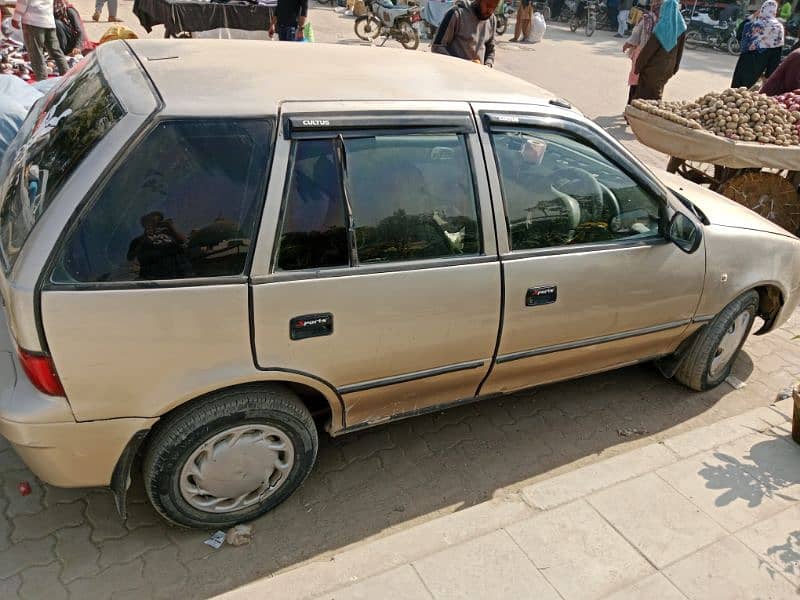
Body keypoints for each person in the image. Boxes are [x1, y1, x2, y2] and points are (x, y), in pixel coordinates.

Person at [633, 0, 686, 100]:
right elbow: (680, 51)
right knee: (657, 93)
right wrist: (675, 68)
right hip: (668, 69)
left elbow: (648, 51)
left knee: (643, 99)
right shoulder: (682, 28)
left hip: (653, 69)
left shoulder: (661, 27)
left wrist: (638, 66)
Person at [11, 0, 69, 82]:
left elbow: (23, 1)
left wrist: (16, 17)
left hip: (33, 22)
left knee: (36, 53)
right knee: (55, 51)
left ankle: (42, 81)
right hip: (48, 20)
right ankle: (67, 76)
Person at [731, 0, 784, 88]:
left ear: (762, 9)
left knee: (736, 90)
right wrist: (768, 75)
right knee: (748, 95)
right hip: (760, 64)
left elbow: (739, 34)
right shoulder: (778, 27)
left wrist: (752, 16)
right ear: (775, 12)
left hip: (744, 60)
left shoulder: (752, 24)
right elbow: (776, 54)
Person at [432, 0, 498, 66]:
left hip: (477, 74)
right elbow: (437, 47)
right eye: (488, 6)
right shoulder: (456, 14)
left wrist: (488, 64)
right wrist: (464, 65)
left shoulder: (492, 20)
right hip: (453, 71)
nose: (490, 11)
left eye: (494, 7)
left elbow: (491, 50)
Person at [127, 212, 188, 280]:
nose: (155, 224)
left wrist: (171, 228)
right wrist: (145, 237)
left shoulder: (170, 234)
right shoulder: (138, 240)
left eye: (159, 221)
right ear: (144, 224)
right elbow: (130, 257)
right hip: (155, 279)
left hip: (179, 276)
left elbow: (183, 242)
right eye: (152, 222)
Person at [623, 0, 661, 103]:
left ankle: (631, 104)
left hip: (642, 53)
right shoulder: (666, 21)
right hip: (657, 56)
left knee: (636, 80)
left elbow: (636, 36)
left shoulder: (646, 18)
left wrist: (627, 44)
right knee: (649, 82)